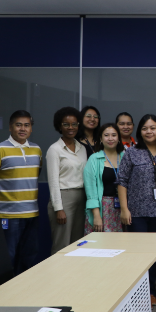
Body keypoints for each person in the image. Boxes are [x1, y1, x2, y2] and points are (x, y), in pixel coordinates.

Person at [0, 110, 42, 274]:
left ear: (31, 129)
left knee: (28, 255)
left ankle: (23, 291)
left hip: (31, 213)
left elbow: (34, 175)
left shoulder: (36, 150)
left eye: (26, 125)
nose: (23, 129)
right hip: (7, 215)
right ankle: (3, 293)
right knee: (7, 256)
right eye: (18, 125)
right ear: (10, 127)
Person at [117, 114, 156, 307]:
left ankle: (151, 291)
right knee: (138, 254)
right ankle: (138, 292)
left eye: (153, 128)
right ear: (140, 131)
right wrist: (124, 209)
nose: (149, 131)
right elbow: (122, 182)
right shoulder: (131, 153)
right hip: (136, 212)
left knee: (154, 254)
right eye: (145, 128)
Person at [46, 107, 88, 255]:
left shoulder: (81, 148)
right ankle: (56, 277)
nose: (71, 128)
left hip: (81, 198)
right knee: (61, 245)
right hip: (64, 199)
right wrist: (59, 208)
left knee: (78, 244)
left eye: (74, 124)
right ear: (59, 126)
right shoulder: (54, 149)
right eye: (66, 124)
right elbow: (53, 181)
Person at [83, 123, 124, 234]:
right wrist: (96, 215)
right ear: (100, 139)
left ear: (119, 138)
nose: (110, 138)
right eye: (106, 135)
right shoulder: (94, 159)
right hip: (102, 208)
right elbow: (90, 189)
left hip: (123, 207)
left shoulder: (125, 157)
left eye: (114, 135)